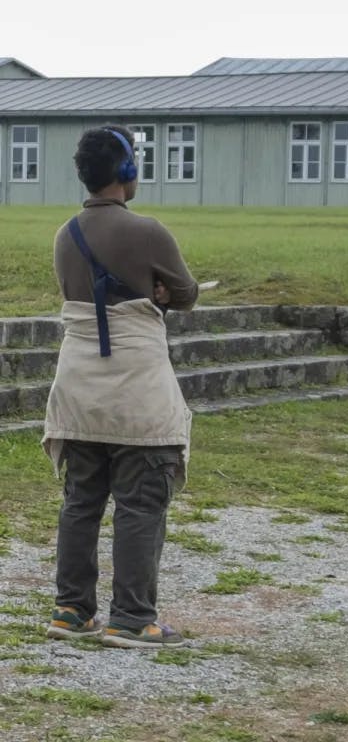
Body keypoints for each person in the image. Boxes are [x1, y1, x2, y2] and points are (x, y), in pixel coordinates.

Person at [42, 125, 198, 649]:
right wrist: (160, 290)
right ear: (127, 171)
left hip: (78, 385)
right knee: (141, 500)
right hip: (135, 386)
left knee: (81, 500)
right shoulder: (148, 231)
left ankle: (71, 610)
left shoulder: (65, 234)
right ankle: (132, 617)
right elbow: (185, 292)